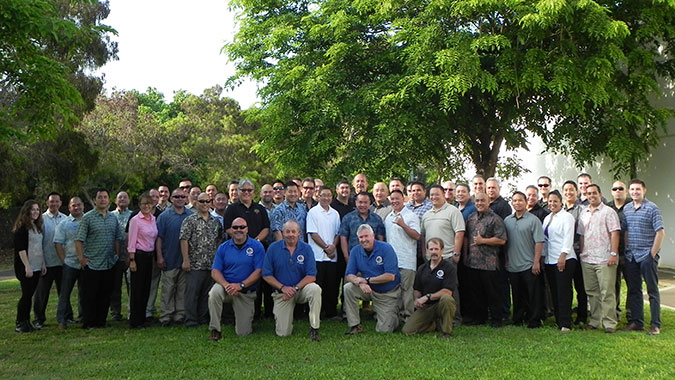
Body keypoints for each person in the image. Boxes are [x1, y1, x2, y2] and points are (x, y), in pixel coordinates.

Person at [208, 218, 265, 341]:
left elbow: (259, 271)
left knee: (243, 332)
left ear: (247, 229)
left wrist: (241, 285)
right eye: (235, 227)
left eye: (242, 227)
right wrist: (226, 285)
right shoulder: (223, 247)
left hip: (245, 291)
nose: (238, 230)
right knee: (214, 293)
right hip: (226, 287)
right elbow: (215, 271)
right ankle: (215, 329)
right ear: (231, 230)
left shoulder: (257, 246)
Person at [263, 221, 322, 341]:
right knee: (283, 333)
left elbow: (311, 276)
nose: (291, 234)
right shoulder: (273, 248)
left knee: (315, 289)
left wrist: (294, 289)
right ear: (282, 233)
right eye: (287, 231)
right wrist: (283, 288)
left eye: (293, 231)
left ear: (299, 233)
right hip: (282, 293)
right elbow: (266, 274)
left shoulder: (306, 248)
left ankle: (314, 328)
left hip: (300, 290)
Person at [622, 179, 665, 335]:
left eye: (638, 189)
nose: (635, 192)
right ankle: (637, 322)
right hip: (631, 256)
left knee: (652, 290)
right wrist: (627, 249)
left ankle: (655, 325)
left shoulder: (652, 208)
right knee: (634, 290)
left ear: (644, 191)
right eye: (632, 189)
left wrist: (651, 254)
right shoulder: (627, 209)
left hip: (646, 256)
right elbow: (625, 231)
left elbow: (660, 232)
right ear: (629, 191)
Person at [76, 189, 123, 329]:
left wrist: (116, 254)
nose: (103, 200)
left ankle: (101, 321)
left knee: (105, 294)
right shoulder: (88, 218)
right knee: (90, 295)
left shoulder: (113, 218)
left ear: (109, 200)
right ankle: (89, 322)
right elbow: (79, 240)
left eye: (105, 197)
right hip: (92, 263)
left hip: (108, 263)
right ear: (94, 200)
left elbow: (117, 238)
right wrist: (81, 258)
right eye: (100, 197)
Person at [577, 184, 620, 333]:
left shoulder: (609, 212)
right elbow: (581, 235)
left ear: (600, 194)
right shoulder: (584, 213)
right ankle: (595, 321)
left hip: (605, 259)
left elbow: (615, 233)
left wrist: (613, 254)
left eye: (594, 193)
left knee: (607, 292)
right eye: (588, 194)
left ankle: (610, 323)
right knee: (592, 292)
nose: (591, 196)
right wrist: (582, 252)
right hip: (588, 258)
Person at [344, 224, 401, 334]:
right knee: (348, 288)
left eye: (366, 236)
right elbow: (349, 274)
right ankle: (355, 325)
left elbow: (390, 276)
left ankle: (394, 315)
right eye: (361, 237)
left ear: (373, 236)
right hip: (368, 289)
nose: (364, 240)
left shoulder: (386, 248)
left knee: (384, 330)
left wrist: (367, 280)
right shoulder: (356, 251)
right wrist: (360, 283)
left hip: (387, 293)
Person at [462, 192, 507, 327]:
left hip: (489, 264)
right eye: (477, 201)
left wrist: (483, 241)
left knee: (493, 293)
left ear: (488, 202)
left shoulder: (495, 219)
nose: (480, 203)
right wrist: (465, 256)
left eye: (483, 201)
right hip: (473, 263)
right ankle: (479, 318)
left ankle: (496, 319)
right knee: (476, 293)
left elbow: (502, 240)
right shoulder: (471, 218)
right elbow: (466, 238)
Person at [180, 192, 224, 327]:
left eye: (207, 201)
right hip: (194, 263)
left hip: (211, 264)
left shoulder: (215, 222)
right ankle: (191, 320)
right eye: (202, 201)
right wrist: (185, 259)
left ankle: (203, 318)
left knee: (207, 293)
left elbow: (219, 241)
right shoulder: (190, 220)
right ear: (196, 203)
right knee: (192, 293)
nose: (205, 204)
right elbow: (184, 240)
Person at [401, 238, 457, 337]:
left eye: (436, 249)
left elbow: (447, 291)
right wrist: (417, 300)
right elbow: (417, 289)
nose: (433, 252)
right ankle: (433, 325)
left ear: (442, 250)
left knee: (447, 298)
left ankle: (446, 332)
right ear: (427, 251)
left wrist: (427, 297)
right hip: (426, 306)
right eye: (431, 249)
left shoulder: (449, 268)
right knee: (407, 331)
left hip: (441, 304)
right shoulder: (422, 268)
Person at [504, 192, 545, 328]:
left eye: (520, 200)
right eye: (514, 201)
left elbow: (539, 242)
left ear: (526, 201)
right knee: (516, 294)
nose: (517, 203)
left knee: (533, 294)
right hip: (513, 265)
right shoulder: (507, 220)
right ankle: (518, 318)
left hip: (529, 264)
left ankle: (534, 320)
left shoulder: (533, 220)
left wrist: (536, 262)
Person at [156, 189, 194, 326]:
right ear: (171, 198)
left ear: (186, 198)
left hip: (185, 260)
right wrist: (159, 257)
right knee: (168, 289)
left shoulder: (191, 215)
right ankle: (166, 315)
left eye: (182, 197)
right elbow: (159, 238)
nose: (179, 199)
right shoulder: (164, 217)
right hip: (169, 258)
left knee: (182, 289)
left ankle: (180, 314)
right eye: (176, 196)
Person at [542, 190, 577, 332]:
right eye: (550, 201)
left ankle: (566, 323)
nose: (552, 204)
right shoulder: (547, 218)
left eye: (555, 201)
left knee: (563, 291)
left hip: (565, 259)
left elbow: (568, 237)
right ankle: (558, 319)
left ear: (561, 202)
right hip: (550, 259)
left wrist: (563, 255)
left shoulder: (566, 217)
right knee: (554, 291)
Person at [385, 190, 421, 322]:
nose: (394, 201)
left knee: (407, 290)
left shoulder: (411, 216)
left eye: (397, 199)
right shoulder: (388, 217)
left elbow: (417, 235)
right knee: (394, 290)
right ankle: (396, 317)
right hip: (392, 261)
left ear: (403, 199)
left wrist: (403, 225)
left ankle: (408, 318)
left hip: (407, 260)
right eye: (392, 199)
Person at [32, 192, 66, 329]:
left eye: (57, 201)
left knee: (63, 292)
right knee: (41, 293)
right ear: (46, 203)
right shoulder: (41, 219)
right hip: (46, 263)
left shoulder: (65, 218)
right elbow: (37, 242)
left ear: (61, 203)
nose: (54, 204)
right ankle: (39, 319)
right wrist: (41, 262)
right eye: (52, 201)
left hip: (62, 262)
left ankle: (66, 317)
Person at [306, 186, 341, 319]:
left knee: (331, 285)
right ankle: (317, 313)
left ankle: (331, 312)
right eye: (323, 195)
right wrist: (326, 247)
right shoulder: (313, 212)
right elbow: (313, 233)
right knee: (318, 285)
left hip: (332, 256)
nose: (326, 198)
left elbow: (338, 233)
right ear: (318, 196)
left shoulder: (335, 213)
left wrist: (333, 247)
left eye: (329, 195)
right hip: (317, 255)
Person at [126, 193, 159, 328]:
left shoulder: (153, 219)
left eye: (149, 203)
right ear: (139, 205)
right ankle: (135, 320)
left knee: (146, 288)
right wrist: (132, 259)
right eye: (144, 203)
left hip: (149, 256)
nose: (146, 206)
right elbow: (131, 241)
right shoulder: (135, 220)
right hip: (138, 257)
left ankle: (143, 317)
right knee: (137, 290)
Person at [13, 200, 46, 333]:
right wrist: (27, 266)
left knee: (30, 295)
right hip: (26, 267)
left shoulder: (37, 227)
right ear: (26, 211)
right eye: (33, 209)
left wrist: (43, 263)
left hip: (37, 265)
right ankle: (20, 323)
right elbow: (21, 249)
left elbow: (39, 247)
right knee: (26, 296)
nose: (35, 212)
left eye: (37, 209)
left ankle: (26, 322)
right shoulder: (22, 228)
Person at [54, 197, 85, 330]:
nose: (76, 207)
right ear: (69, 207)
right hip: (70, 263)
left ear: (83, 205)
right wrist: (63, 261)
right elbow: (58, 243)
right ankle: (62, 319)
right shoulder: (63, 224)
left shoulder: (88, 220)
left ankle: (84, 317)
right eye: (73, 205)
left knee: (84, 293)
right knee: (65, 293)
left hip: (86, 263)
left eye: (79, 205)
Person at [563, 180, 588, 325]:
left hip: (578, 252)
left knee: (581, 287)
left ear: (577, 191)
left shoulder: (582, 210)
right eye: (566, 190)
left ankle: (582, 316)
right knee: (566, 287)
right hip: (564, 255)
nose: (568, 193)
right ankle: (567, 315)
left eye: (571, 190)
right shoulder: (559, 210)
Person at [606, 180, 631, 319]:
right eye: (615, 189)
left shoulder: (632, 206)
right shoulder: (608, 207)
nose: (618, 191)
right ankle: (614, 312)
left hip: (629, 253)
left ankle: (631, 314)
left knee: (632, 285)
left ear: (626, 191)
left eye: (621, 188)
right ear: (611, 191)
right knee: (613, 284)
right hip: (612, 253)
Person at [109, 191, 132, 322]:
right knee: (115, 286)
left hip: (129, 255)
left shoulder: (133, 215)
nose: (122, 199)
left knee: (131, 285)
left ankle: (132, 309)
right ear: (115, 201)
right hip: (114, 256)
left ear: (128, 200)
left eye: (125, 197)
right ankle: (115, 312)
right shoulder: (110, 215)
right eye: (120, 197)